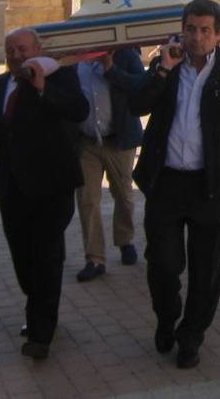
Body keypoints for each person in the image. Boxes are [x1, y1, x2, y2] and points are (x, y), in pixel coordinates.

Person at [131, 0, 220, 370]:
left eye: (205, 30)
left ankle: (191, 336)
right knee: (163, 264)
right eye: (191, 29)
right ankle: (167, 317)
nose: (197, 37)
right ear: (182, 30)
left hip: (211, 186)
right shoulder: (166, 66)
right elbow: (136, 105)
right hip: (166, 183)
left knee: (207, 269)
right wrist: (161, 71)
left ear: (219, 35)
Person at [0, 28, 89, 360]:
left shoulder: (60, 78)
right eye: (10, 50)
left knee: (46, 256)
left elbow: (78, 111)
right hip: (12, 187)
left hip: (53, 185)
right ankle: (37, 306)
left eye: (22, 49)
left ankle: (41, 332)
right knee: (23, 259)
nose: (16, 56)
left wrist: (42, 89)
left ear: (37, 49)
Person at [72, 46, 146, 282]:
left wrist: (111, 70)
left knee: (123, 194)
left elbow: (141, 86)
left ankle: (125, 240)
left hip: (118, 139)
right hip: (87, 142)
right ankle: (94, 258)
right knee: (87, 199)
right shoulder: (75, 61)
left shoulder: (126, 55)